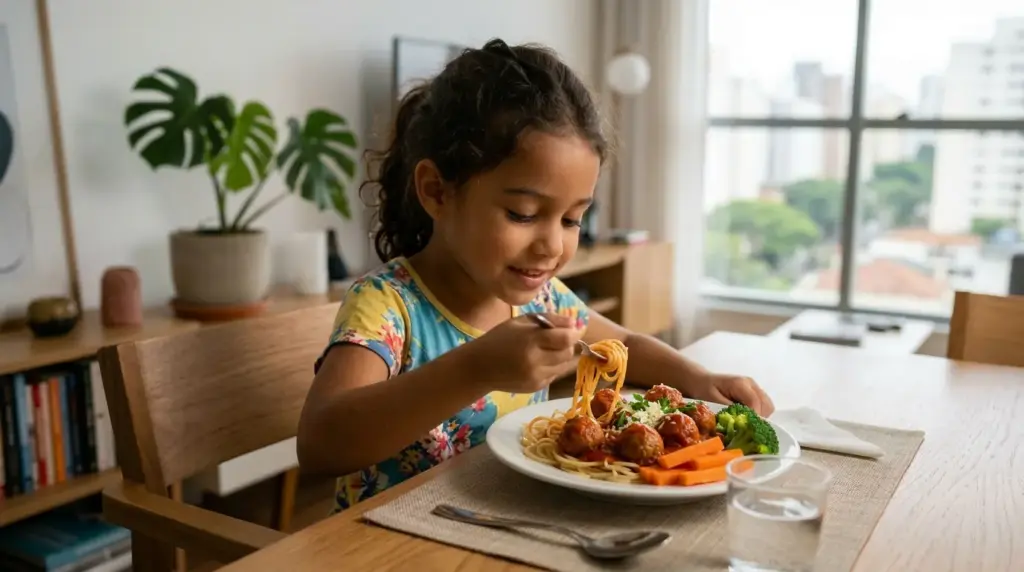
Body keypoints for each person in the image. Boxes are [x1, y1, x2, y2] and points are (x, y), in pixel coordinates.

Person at [296, 38, 775, 512]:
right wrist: (476, 368)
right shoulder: (387, 306)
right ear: (437, 191)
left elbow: (624, 344)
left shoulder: (541, 299)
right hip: (389, 537)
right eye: (523, 214)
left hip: (506, 519)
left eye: (572, 219)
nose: (552, 246)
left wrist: (699, 378)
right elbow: (320, 444)